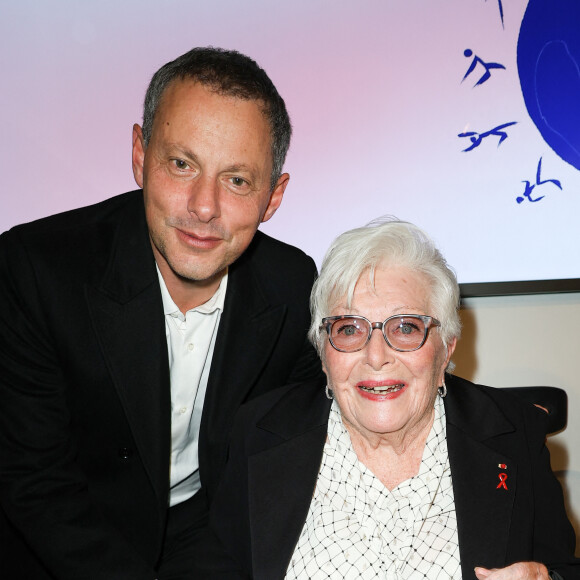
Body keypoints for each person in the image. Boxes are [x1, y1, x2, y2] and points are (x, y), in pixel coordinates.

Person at [0, 47, 323, 580]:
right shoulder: (35, 271)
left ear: (273, 197)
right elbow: (36, 484)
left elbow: (287, 466)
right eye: (181, 164)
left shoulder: (293, 287)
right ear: (139, 154)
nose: (203, 206)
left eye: (237, 180)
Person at [204, 219, 580, 579]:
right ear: (323, 352)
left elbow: (565, 567)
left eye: (405, 327)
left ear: (446, 348)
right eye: (349, 328)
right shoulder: (259, 432)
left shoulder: (516, 435)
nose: (376, 355)